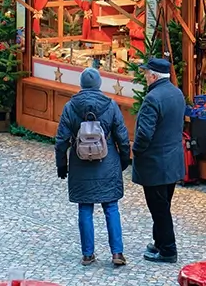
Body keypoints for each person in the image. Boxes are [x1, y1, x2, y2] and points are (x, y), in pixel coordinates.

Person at [55, 68, 131, 267]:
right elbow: (122, 136)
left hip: (80, 163)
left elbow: (61, 140)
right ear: (99, 84)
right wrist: (124, 159)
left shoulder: (70, 106)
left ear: (81, 84)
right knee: (111, 207)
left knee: (85, 208)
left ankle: (88, 254)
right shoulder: (111, 105)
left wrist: (61, 164)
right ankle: (117, 253)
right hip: (108, 161)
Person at [132, 58, 186, 263]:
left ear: (153, 76)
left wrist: (136, 151)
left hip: (155, 163)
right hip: (173, 161)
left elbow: (145, 134)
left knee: (159, 208)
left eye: (146, 73)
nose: (145, 76)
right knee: (163, 204)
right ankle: (160, 242)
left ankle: (168, 250)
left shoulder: (152, 99)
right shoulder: (177, 93)